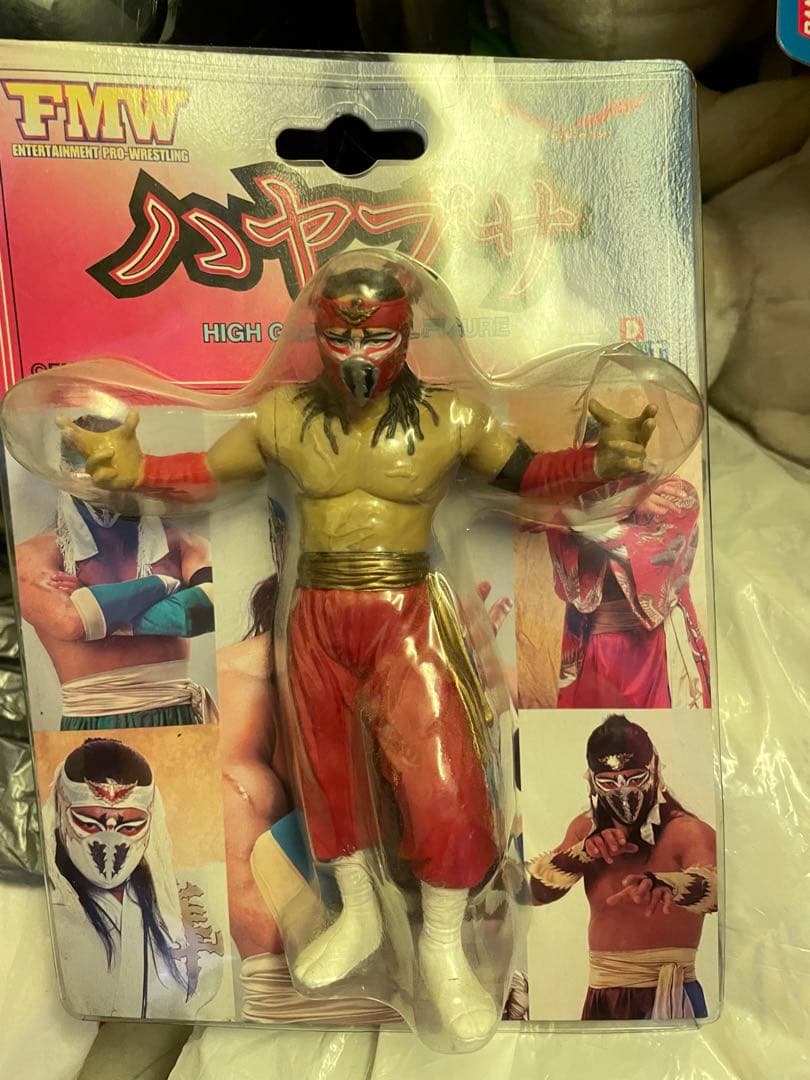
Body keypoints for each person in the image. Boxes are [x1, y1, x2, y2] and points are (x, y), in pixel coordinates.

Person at [54, 251, 655, 1045]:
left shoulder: (453, 419)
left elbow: (531, 473)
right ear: (320, 335)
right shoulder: (282, 418)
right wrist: (133, 467)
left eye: (375, 338)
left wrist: (604, 460)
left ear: (405, 335)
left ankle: (442, 949)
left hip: (405, 610)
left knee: (440, 779)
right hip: (317, 613)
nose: (358, 355)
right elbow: (203, 469)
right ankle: (362, 914)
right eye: (342, 338)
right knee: (328, 775)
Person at [15, 416, 215, 730]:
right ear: (69, 477)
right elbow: (73, 622)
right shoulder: (33, 555)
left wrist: (101, 605)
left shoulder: (181, 542)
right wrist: (167, 586)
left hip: (179, 715)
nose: (108, 489)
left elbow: (206, 608)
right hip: (94, 720)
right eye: (96, 474)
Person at [528, 714, 717, 1020]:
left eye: (635, 778)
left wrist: (671, 885)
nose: (623, 791)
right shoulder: (584, 830)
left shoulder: (686, 831)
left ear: (655, 769)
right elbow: (532, 893)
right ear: (592, 781)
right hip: (601, 995)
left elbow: (720, 890)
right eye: (608, 782)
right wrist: (581, 854)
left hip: (668, 995)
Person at [42, 737, 224, 1019]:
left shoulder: (187, 899)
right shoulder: (39, 907)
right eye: (89, 822)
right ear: (59, 814)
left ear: (150, 821)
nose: (109, 839)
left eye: (129, 825)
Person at [548, 473, 711, 709]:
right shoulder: (575, 494)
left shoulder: (676, 492)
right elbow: (553, 523)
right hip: (595, 647)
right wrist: (621, 503)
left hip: (655, 649)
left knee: (665, 728)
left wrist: (582, 517)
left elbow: (642, 554)